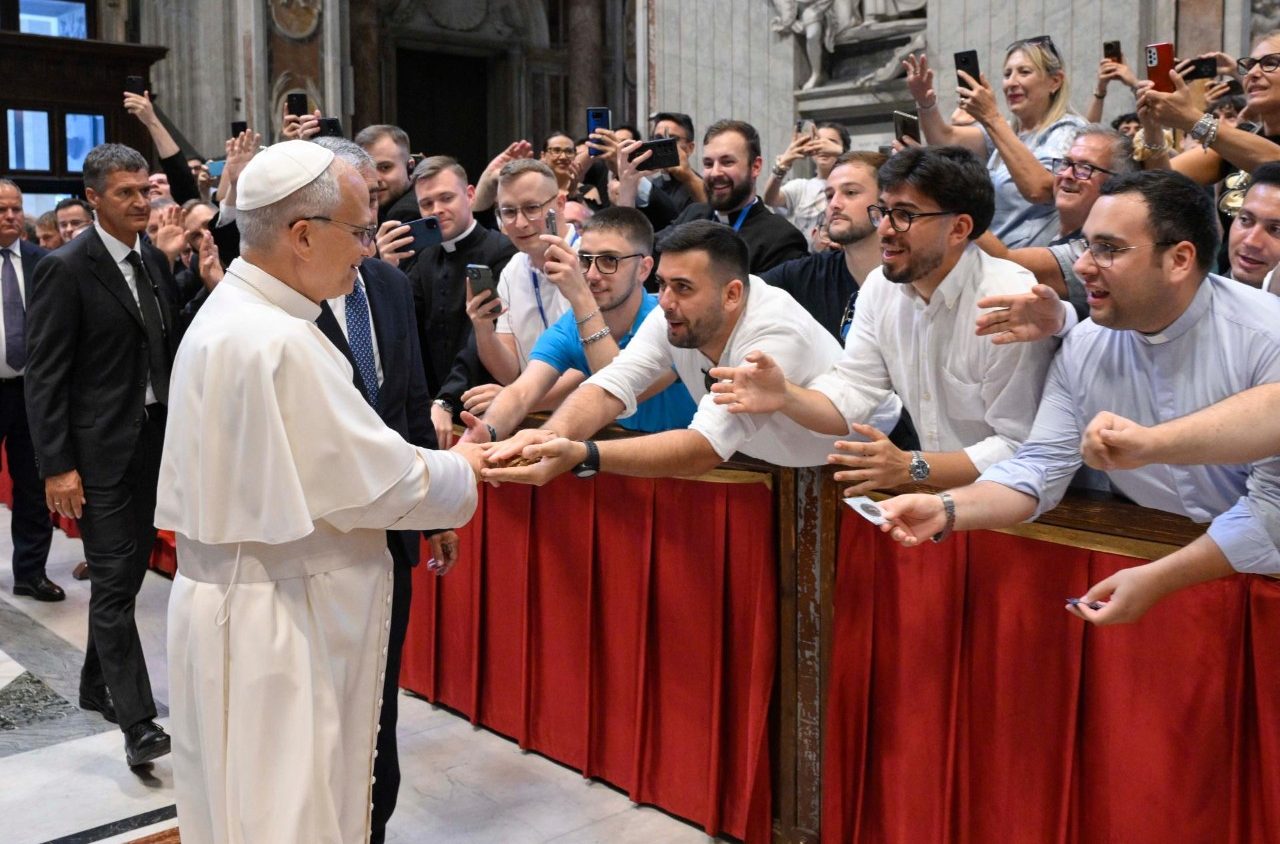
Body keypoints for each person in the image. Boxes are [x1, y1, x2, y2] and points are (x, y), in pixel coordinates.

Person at [158, 140, 484, 844]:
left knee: (243, 808)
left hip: (240, 606)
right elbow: (378, 482)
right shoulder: (279, 340)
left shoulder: (231, 315)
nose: (368, 250)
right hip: (281, 622)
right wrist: (468, 464)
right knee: (290, 814)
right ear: (302, 235)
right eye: (359, 231)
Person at [873, 170, 1280, 626]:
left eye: (1108, 249)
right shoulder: (1085, 344)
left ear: (1180, 259)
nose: (1083, 265)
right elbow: (1039, 466)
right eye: (1086, 245)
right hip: (1145, 567)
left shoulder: (1267, 337)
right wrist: (946, 508)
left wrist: (1161, 577)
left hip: (1254, 583)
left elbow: (1274, 508)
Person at [710, 146, 1052, 496]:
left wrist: (913, 466)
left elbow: (1018, 445)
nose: (885, 229)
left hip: (1016, 502)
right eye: (883, 212)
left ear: (959, 228)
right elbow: (854, 390)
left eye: (904, 215)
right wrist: (785, 395)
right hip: (936, 498)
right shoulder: (881, 287)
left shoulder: (1009, 300)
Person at [482, 220, 899, 486]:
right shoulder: (668, 313)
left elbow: (702, 448)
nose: (665, 301)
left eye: (682, 287)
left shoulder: (772, 334)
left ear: (732, 294)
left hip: (856, 467)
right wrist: (551, 435)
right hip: (776, 464)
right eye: (662, 284)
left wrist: (582, 453)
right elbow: (612, 383)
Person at [307, 136, 461, 844]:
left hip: (390, 535)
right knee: (321, 702)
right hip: (318, 540)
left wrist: (435, 511)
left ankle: (373, 823)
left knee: (378, 695)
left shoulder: (390, 285)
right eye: (356, 199)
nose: (372, 212)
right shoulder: (288, 299)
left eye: (374, 195)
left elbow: (411, 403)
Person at [25, 144, 182, 765]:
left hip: (153, 445)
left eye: (146, 190)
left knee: (126, 574)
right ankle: (138, 723)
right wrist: (58, 466)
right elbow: (44, 377)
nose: (142, 202)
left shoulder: (153, 259)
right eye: (126, 193)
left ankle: (96, 685)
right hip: (96, 455)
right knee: (115, 585)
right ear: (93, 198)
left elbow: (163, 347)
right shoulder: (65, 268)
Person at [465, 207, 695, 441]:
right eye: (585, 260)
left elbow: (617, 390)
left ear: (643, 269)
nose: (592, 275)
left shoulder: (669, 323)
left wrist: (580, 298)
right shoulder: (570, 326)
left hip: (690, 458)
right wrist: (486, 431)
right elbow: (521, 392)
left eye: (609, 260)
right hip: (616, 451)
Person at [905, 37, 1086, 247]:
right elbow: (944, 140)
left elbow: (1040, 190)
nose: (1012, 83)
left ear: (1055, 81)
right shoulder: (1007, 131)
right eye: (1007, 74)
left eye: (1024, 72)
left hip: (1030, 259)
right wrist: (926, 102)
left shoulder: (1070, 130)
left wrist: (991, 117)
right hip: (992, 255)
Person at [388, 156, 517, 447]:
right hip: (434, 411)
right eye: (427, 204)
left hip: (486, 407)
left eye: (446, 198)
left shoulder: (502, 251)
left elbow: (480, 336)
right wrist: (385, 269)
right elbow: (405, 329)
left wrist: (446, 400)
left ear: (469, 195)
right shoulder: (424, 258)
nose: (437, 210)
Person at [975, 125, 1135, 324]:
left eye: (1085, 168)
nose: (1067, 174)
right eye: (1066, 163)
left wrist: (958, 204)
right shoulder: (1046, 219)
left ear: (1115, 184)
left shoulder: (1094, 251)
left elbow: (1002, 262)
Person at [0, 180, 58, 601]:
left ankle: (31, 573)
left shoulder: (45, 263)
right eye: (2, 209)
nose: (11, 216)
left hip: (33, 391)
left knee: (34, 486)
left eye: (16, 209)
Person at [760, 150, 886, 339]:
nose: (834, 204)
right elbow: (740, 294)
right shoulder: (806, 275)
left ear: (885, 200)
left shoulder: (912, 277)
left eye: (850, 192)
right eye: (829, 195)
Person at [654, 120, 809, 274]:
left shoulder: (780, 238)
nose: (715, 173)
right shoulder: (693, 215)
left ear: (755, 167)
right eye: (708, 164)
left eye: (727, 162)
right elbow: (647, 255)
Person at [472, 159, 575, 384]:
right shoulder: (512, 269)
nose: (520, 223)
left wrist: (518, 398)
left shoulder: (592, 259)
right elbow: (508, 372)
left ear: (560, 203)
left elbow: (593, 365)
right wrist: (483, 329)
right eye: (509, 212)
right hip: (530, 402)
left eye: (531, 208)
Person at [1133, 36, 1280, 182]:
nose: (1252, 72)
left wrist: (1190, 119)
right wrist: (1153, 130)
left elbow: (1275, 163)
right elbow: (1164, 182)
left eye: (1271, 63)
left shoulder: (1236, 141)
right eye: (1250, 65)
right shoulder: (1244, 136)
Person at [764, 121, 851, 251]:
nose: (823, 147)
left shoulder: (853, 185)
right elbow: (770, 199)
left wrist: (841, 152)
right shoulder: (801, 187)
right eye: (817, 142)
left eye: (831, 142)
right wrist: (782, 165)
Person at [354, 123, 418, 224]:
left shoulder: (407, 214)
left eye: (385, 167)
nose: (375, 179)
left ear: (410, 167)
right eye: (368, 170)